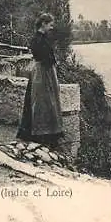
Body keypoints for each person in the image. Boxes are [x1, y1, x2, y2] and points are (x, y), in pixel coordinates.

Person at [16, 13, 64, 149]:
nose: (51, 27)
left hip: (47, 72)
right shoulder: (36, 39)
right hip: (42, 73)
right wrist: (53, 61)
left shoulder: (44, 38)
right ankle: (41, 134)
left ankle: (50, 133)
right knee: (41, 101)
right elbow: (42, 56)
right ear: (43, 23)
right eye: (50, 24)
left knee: (50, 101)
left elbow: (48, 55)